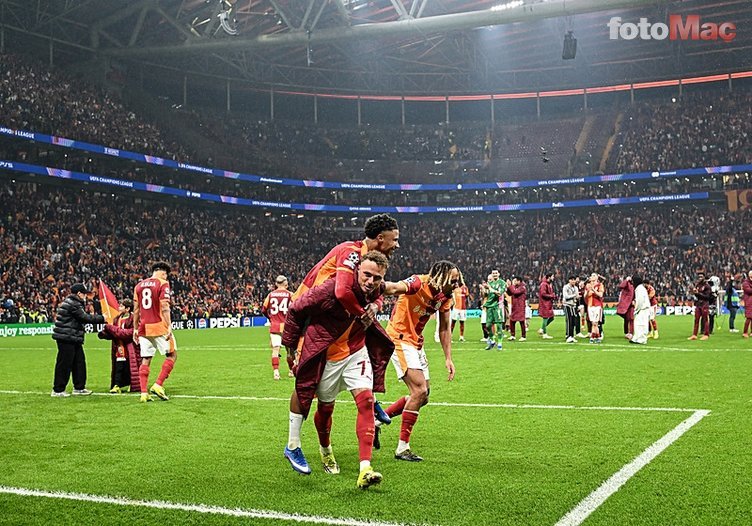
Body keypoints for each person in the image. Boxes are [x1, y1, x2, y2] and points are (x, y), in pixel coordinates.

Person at [281, 251, 409, 488]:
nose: (371, 281)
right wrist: (289, 345)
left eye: (377, 278)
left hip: (356, 352)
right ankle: (325, 449)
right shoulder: (331, 289)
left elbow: (384, 293)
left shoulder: (375, 289)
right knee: (325, 408)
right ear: (357, 270)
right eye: (367, 275)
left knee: (366, 401)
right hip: (327, 355)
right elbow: (296, 308)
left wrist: (376, 304)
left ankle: (365, 469)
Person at [380, 261, 460, 462]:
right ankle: (402, 448)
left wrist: (448, 358)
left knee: (424, 396)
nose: (457, 285)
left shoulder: (445, 297)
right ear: (440, 277)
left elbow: (444, 329)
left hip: (416, 342)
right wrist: (374, 285)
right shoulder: (418, 282)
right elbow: (395, 288)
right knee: (419, 391)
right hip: (399, 338)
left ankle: (377, 420)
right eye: (453, 280)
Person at [292, 213, 399, 321]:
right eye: (395, 240)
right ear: (380, 238)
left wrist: (376, 305)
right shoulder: (351, 252)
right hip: (306, 311)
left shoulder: (372, 262)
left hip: (323, 314)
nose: (397, 245)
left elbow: (379, 289)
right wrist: (363, 315)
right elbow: (342, 292)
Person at [132, 261, 176, 402]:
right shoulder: (163, 283)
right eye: (166, 274)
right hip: (159, 326)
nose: (166, 277)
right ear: (162, 272)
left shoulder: (138, 286)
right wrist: (169, 325)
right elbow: (164, 305)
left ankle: (144, 393)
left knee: (146, 358)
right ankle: (158, 384)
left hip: (143, 328)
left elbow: (136, 310)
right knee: (172, 354)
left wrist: (135, 329)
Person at [51, 283, 105, 397]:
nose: (85, 296)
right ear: (79, 293)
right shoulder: (73, 304)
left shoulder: (71, 302)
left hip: (72, 337)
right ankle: (58, 390)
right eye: (84, 294)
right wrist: (103, 318)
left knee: (79, 363)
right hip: (67, 337)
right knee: (64, 364)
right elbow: (84, 317)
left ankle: (79, 388)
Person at [98, 298, 141, 393]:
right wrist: (104, 334)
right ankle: (117, 385)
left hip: (131, 348)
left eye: (121, 306)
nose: (119, 308)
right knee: (118, 367)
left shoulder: (134, 319)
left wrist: (111, 328)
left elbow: (129, 333)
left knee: (130, 367)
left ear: (128, 309)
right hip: (119, 347)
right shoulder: (117, 319)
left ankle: (132, 384)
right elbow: (115, 334)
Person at [261, 275, 294, 380]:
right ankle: (291, 370)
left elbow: (264, 309)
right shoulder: (290, 294)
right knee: (290, 351)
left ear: (276, 284)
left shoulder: (270, 295)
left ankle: (276, 372)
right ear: (286, 284)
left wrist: (270, 318)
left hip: (275, 326)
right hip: (287, 327)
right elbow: (296, 308)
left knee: (275, 349)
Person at [483, 270, 506, 350]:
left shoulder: (502, 283)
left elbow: (499, 293)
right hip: (489, 307)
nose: (495, 274)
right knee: (488, 325)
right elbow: (486, 295)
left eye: (496, 273)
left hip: (498, 306)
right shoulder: (490, 283)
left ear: (498, 274)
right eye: (493, 273)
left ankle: (499, 343)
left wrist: (489, 288)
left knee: (499, 326)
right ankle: (492, 340)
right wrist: (484, 290)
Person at [688, 271, 712, 341]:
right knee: (696, 319)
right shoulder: (697, 285)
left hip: (704, 304)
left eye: (701, 277)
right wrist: (692, 292)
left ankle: (706, 334)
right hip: (698, 304)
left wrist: (698, 293)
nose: (700, 278)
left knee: (705, 319)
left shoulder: (707, 286)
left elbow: (707, 297)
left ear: (704, 277)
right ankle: (694, 335)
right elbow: (696, 295)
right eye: (699, 277)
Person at [585, 273, 605, 343]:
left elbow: (600, 295)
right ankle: (596, 336)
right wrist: (587, 292)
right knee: (593, 322)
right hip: (590, 306)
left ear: (597, 277)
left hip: (597, 306)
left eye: (594, 275)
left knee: (595, 322)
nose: (592, 277)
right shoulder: (588, 285)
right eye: (591, 275)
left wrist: (593, 290)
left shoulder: (600, 285)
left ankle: (594, 337)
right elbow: (585, 296)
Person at [630, 275, 650, 344]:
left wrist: (636, 309)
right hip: (641, 309)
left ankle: (642, 339)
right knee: (637, 324)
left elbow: (640, 301)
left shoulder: (640, 289)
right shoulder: (639, 288)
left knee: (642, 325)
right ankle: (636, 338)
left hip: (643, 309)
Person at [507, 276, 527, 341]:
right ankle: (512, 335)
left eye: (515, 281)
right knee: (512, 321)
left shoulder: (522, 287)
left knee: (521, 321)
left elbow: (515, 292)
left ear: (519, 281)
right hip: (515, 306)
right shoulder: (514, 287)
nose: (514, 282)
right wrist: (508, 287)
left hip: (520, 306)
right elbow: (509, 293)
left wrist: (511, 286)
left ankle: (523, 336)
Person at [537, 272, 556, 339]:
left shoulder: (548, 284)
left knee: (552, 317)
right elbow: (543, 294)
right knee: (545, 318)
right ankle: (544, 334)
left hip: (548, 303)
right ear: (549, 277)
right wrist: (551, 296)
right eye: (552, 276)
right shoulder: (544, 284)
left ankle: (542, 329)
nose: (553, 278)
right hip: (544, 303)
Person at [562, 275, 580, 343]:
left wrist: (577, 298)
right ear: (569, 280)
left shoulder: (576, 288)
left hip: (573, 306)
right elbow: (566, 296)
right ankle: (568, 336)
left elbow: (577, 297)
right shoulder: (566, 287)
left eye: (574, 280)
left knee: (573, 321)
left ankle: (572, 336)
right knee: (569, 320)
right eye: (572, 280)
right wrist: (575, 295)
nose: (573, 281)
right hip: (567, 305)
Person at [742, 271, 752, 338]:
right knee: (749, 317)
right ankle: (745, 332)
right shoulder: (745, 283)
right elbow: (749, 291)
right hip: (748, 302)